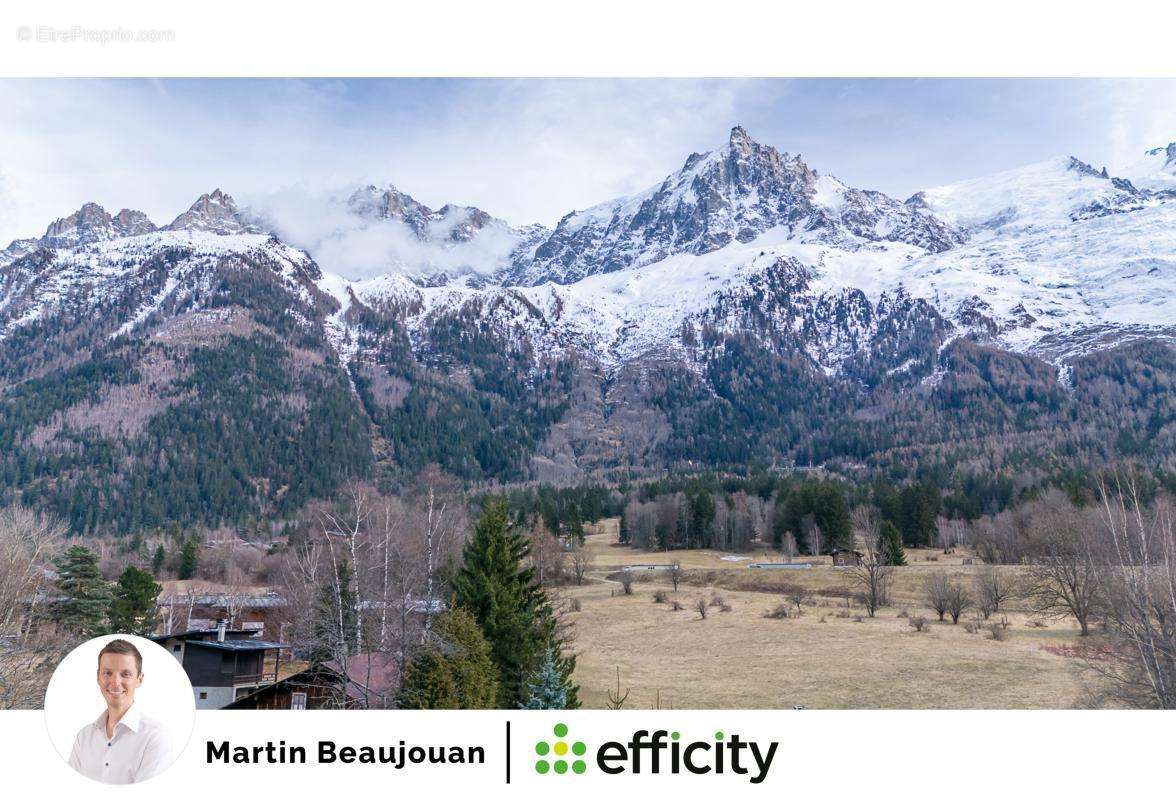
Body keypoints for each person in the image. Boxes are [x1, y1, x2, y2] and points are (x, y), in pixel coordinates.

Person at [67, 639, 172, 784]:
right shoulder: (84, 737)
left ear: (139, 679)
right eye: (107, 673)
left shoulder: (155, 737)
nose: (115, 682)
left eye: (125, 674)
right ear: (98, 677)